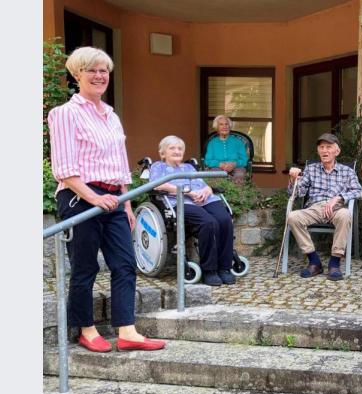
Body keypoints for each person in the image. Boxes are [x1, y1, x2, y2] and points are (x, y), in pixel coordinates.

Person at [48, 47, 165, 352]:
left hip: (114, 198)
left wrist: (127, 203)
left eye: (104, 71)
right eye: (92, 70)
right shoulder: (65, 114)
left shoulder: (111, 116)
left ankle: (127, 331)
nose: (99, 76)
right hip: (79, 198)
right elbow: (64, 168)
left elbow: (120, 163)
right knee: (85, 267)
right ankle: (86, 330)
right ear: (77, 74)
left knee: (124, 264)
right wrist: (94, 197)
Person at [149, 135, 237, 286]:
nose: (177, 151)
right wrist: (187, 192)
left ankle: (224, 268)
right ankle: (209, 270)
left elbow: (203, 184)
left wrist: (207, 191)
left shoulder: (189, 167)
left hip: (205, 199)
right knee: (208, 223)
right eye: (172, 148)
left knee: (224, 220)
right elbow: (157, 185)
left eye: (180, 148)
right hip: (181, 201)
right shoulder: (158, 167)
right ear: (163, 153)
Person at [287, 133, 362, 281]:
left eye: (328, 147)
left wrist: (338, 198)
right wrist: (293, 179)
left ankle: (334, 263)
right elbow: (296, 194)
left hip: (337, 209)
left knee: (345, 215)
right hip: (315, 208)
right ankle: (314, 261)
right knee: (293, 217)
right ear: (318, 150)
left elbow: (359, 191)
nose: (324, 150)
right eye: (321, 147)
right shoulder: (311, 169)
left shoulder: (347, 171)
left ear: (337, 151)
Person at [205, 115, 249, 184]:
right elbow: (208, 161)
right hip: (217, 167)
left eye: (226, 124)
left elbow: (244, 159)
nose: (224, 127)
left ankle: (235, 191)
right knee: (216, 175)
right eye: (221, 124)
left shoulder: (238, 142)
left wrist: (234, 164)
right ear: (217, 127)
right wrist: (220, 164)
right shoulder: (212, 143)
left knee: (239, 175)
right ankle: (218, 191)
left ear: (229, 126)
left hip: (237, 167)